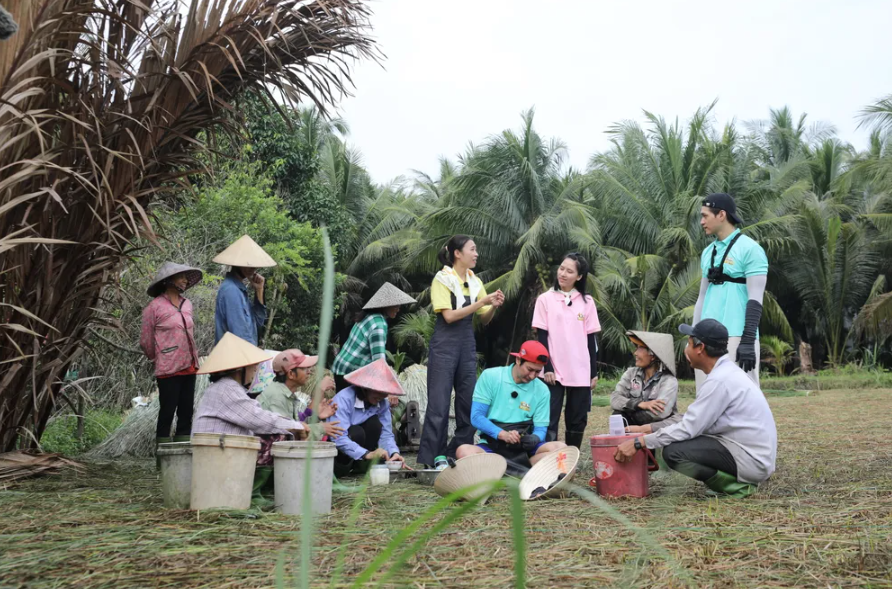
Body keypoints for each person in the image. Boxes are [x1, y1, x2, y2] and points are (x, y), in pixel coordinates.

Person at [614, 320, 777, 498]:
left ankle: (735, 486)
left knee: (674, 452)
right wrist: (645, 429)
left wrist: (640, 442)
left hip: (751, 460)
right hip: (750, 452)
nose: (686, 349)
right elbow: (692, 420)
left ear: (700, 348)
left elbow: (688, 428)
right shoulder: (726, 374)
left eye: (689, 343)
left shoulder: (719, 381)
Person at [192, 333, 344, 502]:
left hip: (224, 452)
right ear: (239, 369)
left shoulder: (229, 388)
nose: (255, 372)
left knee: (288, 433)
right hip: (217, 456)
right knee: (278, 437)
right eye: (252, 368)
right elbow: (260, 419)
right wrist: (298, 426)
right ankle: (255, 493)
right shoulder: (228, 390)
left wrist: (303, 422)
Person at [417, 235, 505, 468]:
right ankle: (430, 460)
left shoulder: (475, 280)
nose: (476, 254)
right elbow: (449, 316)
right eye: (472, 250)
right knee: (439, 404)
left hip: (467, 345)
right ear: (458, 253)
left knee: (468, 403)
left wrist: (492, 306)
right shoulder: (443, 278)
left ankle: (456, 454)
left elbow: (484, 319)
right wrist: (480, 303)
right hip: (444, 345)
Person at [694, 193, 768, 388]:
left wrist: (748, 340)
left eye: (705, 215)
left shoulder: (750, 249)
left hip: (737, 335)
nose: (702, 222)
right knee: (706, 396)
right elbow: (702, 296)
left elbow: (756, 298)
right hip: (706, 336)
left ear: (721, 215)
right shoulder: (708, 252)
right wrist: (694, 335)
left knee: (743, 396)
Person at [455, 341, 567, 468]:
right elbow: (476, 417)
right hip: (494, 443)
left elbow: (541, 429)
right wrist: (503, 434)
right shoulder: (491, 377)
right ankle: (519, 468)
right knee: (464, 451)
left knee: (561, 449)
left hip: (525, 446)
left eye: (537, 372)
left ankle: (513, 468)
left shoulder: (542, 390)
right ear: (518, 360)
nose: (532, 376)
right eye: (529, 369)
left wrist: (534, 438)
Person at [532, 252, 601, 449]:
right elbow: (542, 336)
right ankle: (546, 458)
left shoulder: (587, 302)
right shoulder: (545, 299)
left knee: (577, 418)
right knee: (549, 416)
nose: (562, 273)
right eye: (561, 268)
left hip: (580, 370)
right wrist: (548, 367)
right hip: (552, 370)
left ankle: (572, 459)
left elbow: (590, 339)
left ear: (579, 277)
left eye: (569, 271)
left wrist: (593, 372)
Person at [139, 262, 203, 447]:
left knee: (186, 413)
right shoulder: (154, 307)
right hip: (168, 368)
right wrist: (159, 357)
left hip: (189, 366)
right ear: (168, 281)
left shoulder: (187, 304)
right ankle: (163, 459)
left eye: (185, 277)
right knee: (167, 412)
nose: (184, 280)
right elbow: (146, 341)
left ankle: (181, 457)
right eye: (180, 276)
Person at [331, 282, 416, 393]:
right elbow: (379, 362)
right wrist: (388, 389)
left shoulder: (368, 316)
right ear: (386, 305)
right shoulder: (378, 324)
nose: (398, 309)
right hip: (349, 372)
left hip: (342, 368)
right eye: (396, 305)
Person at [328, 358, 405, 477]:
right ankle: (347, 468)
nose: (381, 396)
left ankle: (361, 467)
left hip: (364, 453)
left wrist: (393, 453)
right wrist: (366, 454)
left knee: (374, 424)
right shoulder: (343, 399)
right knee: (357, 432)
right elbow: (338, 438)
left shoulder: (382, 404)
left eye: (385, 392)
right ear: (365, 388)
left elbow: (386, 433)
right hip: (339, 456)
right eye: (377, 392)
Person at [610, 330, 681, 434]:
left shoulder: (669, 380)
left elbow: (659, 413)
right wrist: (641, 404)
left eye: (640, 349)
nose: (635, 353)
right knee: (617, 415)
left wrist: (630, 411)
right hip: (633, 425)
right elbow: (615, 400)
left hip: (656, 430)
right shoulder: (631, 374)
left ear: (653, 355)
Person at [213, 234, 277, 346]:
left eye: (255, 266)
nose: (253, 269)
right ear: (236, 264)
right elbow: (241, 335)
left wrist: (259, 290)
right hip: (236, 358)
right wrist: (252, 362)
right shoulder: (231, 290)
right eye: (248, 265)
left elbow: (258, 322)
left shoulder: (240, 290)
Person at [260, 349, 337, 423]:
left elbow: (297, 423)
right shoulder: (277, 397)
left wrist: (317, 416)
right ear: (291, 374)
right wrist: (321, 428)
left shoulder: (287, 393)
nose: (309, 372)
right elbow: (289, 432)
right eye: (304, 368)